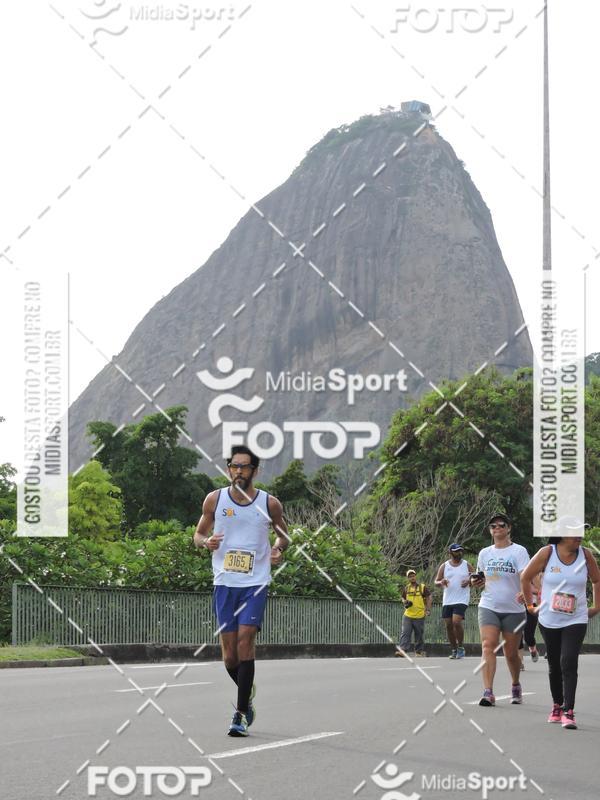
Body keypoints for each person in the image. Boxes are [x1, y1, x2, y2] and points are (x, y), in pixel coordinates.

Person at [193, 445, 289, 737]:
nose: (238, 471)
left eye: (244, 467)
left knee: (246, 642)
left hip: (255, 583)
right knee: (229, 657)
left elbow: (284, 536)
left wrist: (277, 549)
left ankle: (240, 714)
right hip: (225, 583)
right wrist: (206, 542)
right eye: (234, 466)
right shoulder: (215, 499)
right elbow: (198, 534)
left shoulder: (269, 503)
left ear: (255, 471)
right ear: (228, 469)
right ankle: (246, 691)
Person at [521, 535, 600, 729]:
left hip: (576, 618)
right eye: (574, 534)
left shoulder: (586, 555)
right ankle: (557, 705)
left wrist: (597, 606)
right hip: (549, 619)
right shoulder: (547, 553)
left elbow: (597, 580)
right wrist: (530, 606)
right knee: (554, 664)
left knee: (569, 661)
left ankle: (568, 710)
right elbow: (525, 577)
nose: (579, 537)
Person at [472, 513, 530, 707]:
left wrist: (524, 592)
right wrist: (476, 581)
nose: (497, 528)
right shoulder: (485, 553)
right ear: (490, 530)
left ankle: (515, 684)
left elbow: (525, 576)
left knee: (511, 653)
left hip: (513, 609)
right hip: (489, 605)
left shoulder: (519, 551)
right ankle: (488, 692)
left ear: (509, 528)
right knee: (488, 645)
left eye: (501, 525)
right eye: (493, 526)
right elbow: (481, 577)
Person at [434, 543, 474, 659]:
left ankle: (460, 647)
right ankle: (454, 649)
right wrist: (441, 582)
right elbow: (436, 581)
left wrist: (469, 581)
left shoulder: (466, 564)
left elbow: (475, 577)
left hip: (462, 598)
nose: (459, 553)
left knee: (456, 622)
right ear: (450, 552)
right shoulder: (444, 566)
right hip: (448, 599)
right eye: (456, 551)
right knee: (448, 625)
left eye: (460, 551)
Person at [396, 569, 432, 657]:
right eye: (410, 576)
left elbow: (428, 597)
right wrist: (404, 602)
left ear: (415, 576)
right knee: (405, 632)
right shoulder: (406, 588)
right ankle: (403, 650)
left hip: (419, 614)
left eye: (413, 576)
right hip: (408, 614)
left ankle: (418, 652)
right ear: (408, 578)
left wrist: (428, 609)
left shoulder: (422, 587)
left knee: (419, 634)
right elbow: (403, 598)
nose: (412, 578)